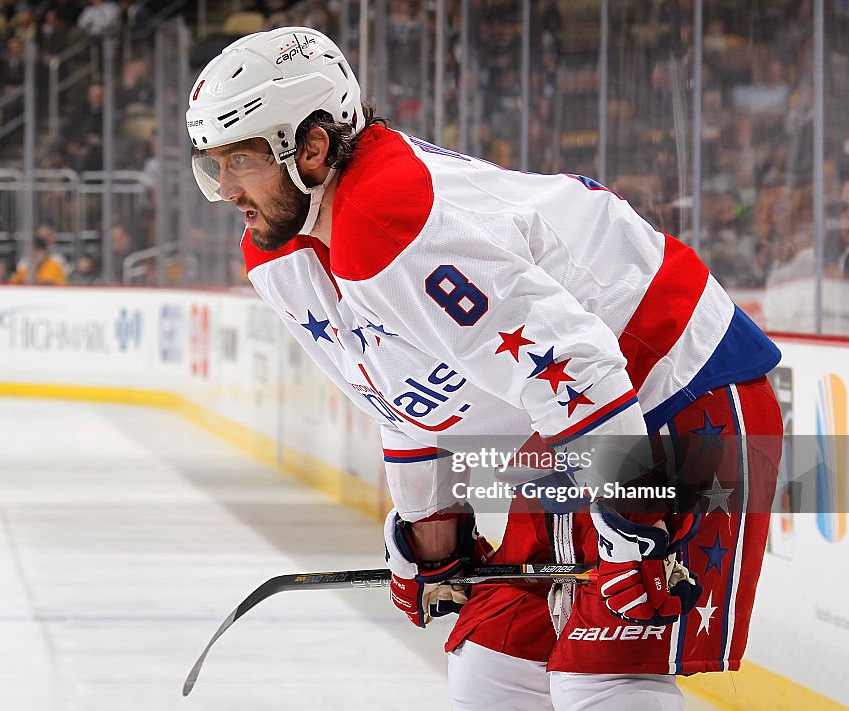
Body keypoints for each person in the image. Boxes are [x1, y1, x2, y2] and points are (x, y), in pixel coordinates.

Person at [186, 27, 783, 710]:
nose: (226, 188)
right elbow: (400, 398)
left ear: (313, 148)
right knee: (495, 664)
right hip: (577, 431)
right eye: (214, 164)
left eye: (241, 161)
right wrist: (428, 526)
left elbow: (576, 364)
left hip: (679, 394)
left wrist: (629, 523)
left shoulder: (388, 216)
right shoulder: (284, 249)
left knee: (604, 672)